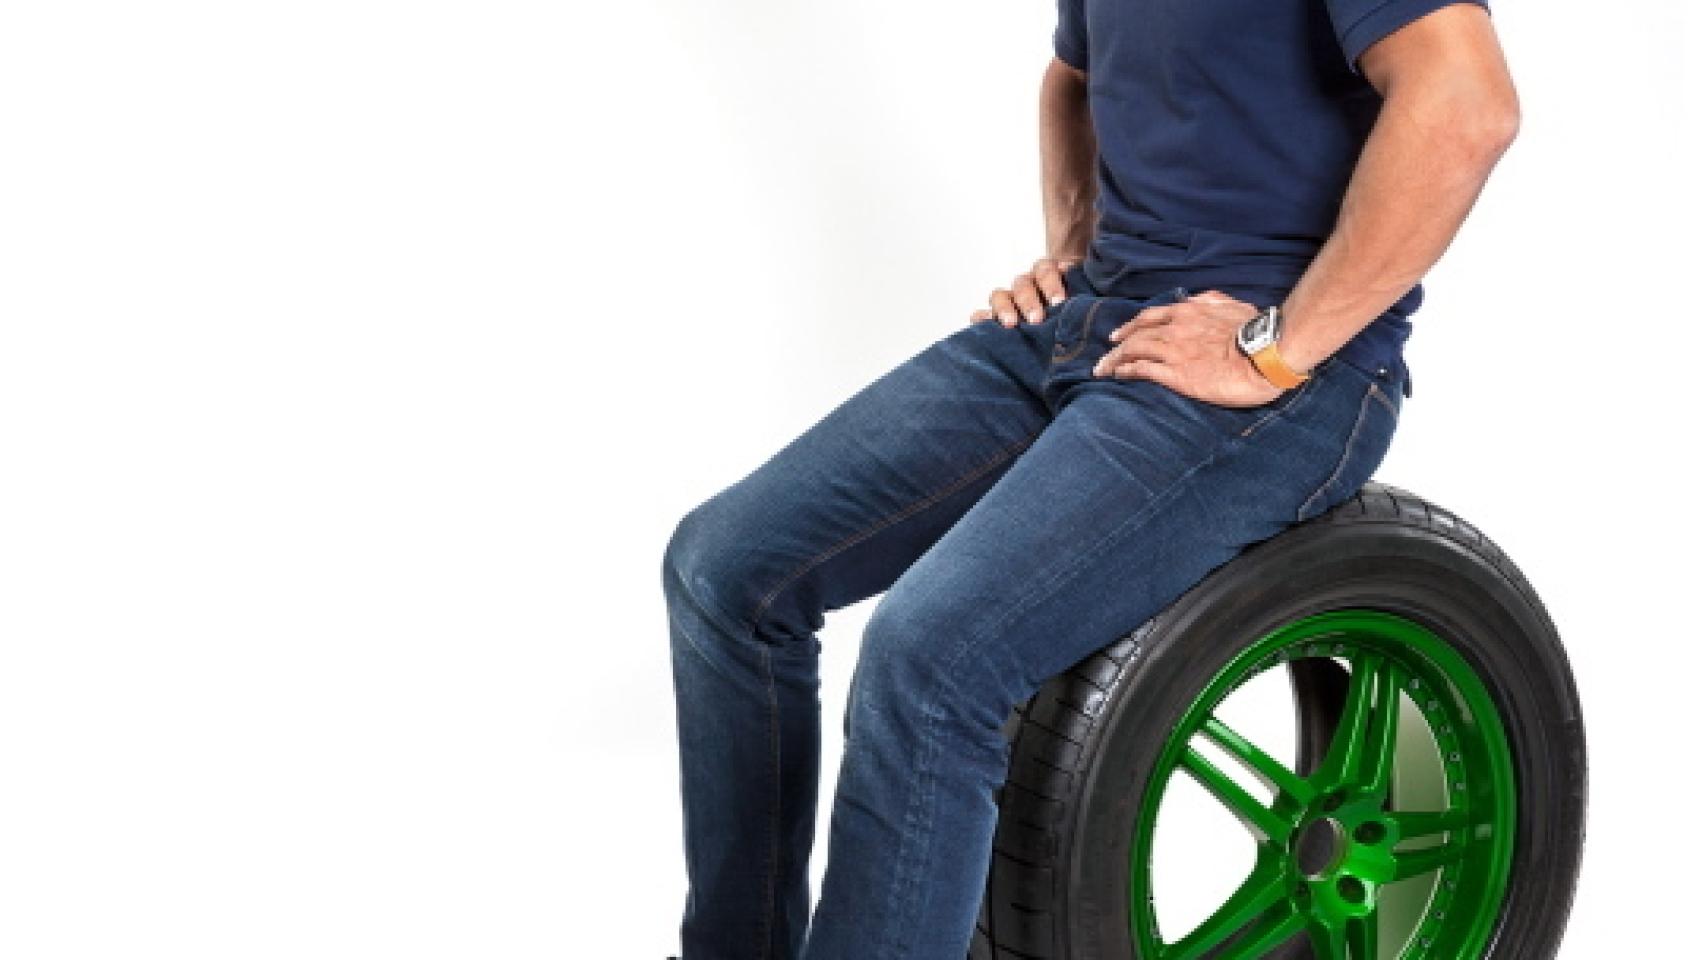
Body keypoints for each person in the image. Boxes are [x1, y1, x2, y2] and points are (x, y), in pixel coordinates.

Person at [661, 1, 1519, 957]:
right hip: (1094, 320)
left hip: (1275, 375)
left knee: (931, 660)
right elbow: (1074, 77)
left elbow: (1466, 103)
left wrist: (1272, 347)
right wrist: (1072, 249)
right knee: (723, 571)